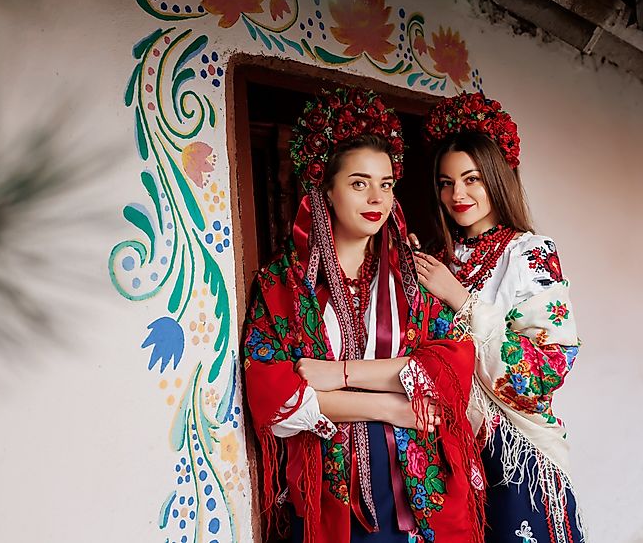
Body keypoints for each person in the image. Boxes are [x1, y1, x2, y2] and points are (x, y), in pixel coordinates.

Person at [242, 87, 484, 543]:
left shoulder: (414, 275)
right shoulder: (283, 285)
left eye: (385, 184)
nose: (376, 197)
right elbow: (270, 391)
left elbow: (451, 367)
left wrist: (333, 375)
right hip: (331, 488)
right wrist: (391, 405)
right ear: (327, 192)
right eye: (358, 183)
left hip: (418, 482)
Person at [414, 92, 585, 543]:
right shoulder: (433, 260)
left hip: (516, 452)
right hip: (442, 450)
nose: (458, 194)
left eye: (471, 179)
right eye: (446, 183)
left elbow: (548, 370)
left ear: (495, 178)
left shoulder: (530, 254)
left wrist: (463, 303)